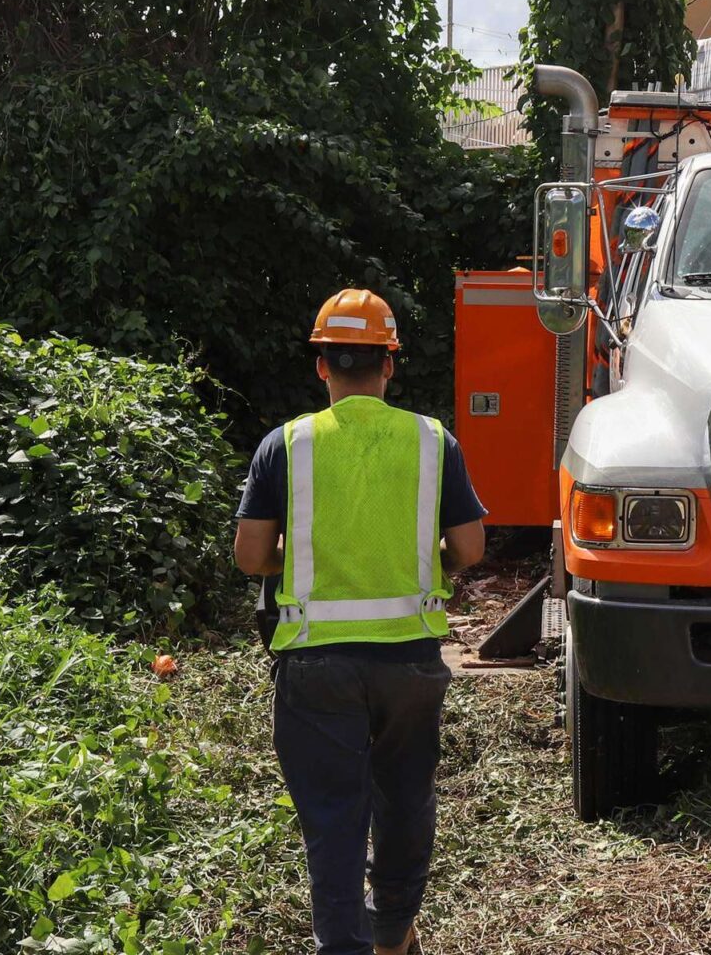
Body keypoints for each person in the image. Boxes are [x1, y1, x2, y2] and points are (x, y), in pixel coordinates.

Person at [234, 289, 488, 955]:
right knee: (404, 805)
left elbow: (252, 556)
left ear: (322, 364)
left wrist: (307, 554)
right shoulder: (432, 441)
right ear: (389, 364)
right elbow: (468, 548)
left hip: (315, 663)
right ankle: (394, 935)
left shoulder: (286, 444)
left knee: (334, 822)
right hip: (409, 663)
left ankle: (343, 945)